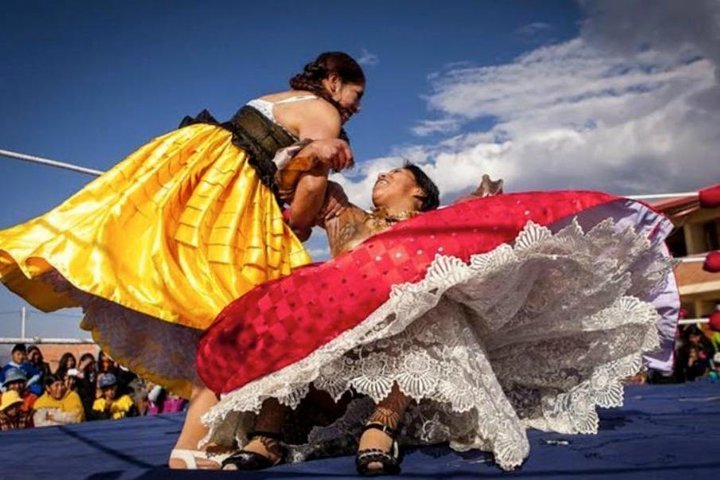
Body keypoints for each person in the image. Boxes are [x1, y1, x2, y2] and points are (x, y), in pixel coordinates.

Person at [0, 51, 364, 469]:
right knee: (244, 313)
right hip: (231, 197)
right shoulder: (324, 111)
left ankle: (202, 435)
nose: (356, 106)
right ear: (334, 80)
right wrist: (298, 225)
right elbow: (314, 182)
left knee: (202, 299)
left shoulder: (278, 98)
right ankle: (197, 442)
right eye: (357, 94)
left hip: (194, 176)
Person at [197, 171, 679, 473]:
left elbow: (489, 226)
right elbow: (301, 186)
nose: (381, 176)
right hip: (335, 335)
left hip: (402, 332)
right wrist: (315, 150)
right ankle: (269, 435)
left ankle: (382, 424)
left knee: (429, 303)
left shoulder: (440, 225)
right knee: (292, 304)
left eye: (395, 175)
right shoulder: (347, 218)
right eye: (382, 174)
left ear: (420, 195)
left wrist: (481, 203)